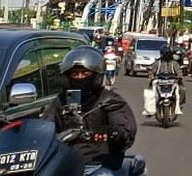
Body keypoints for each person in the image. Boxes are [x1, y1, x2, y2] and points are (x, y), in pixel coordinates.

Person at [43, 46, 137, 176]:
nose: (80, 77)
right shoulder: (60, 102)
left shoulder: (109, 100)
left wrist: (111, 133)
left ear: (96, 76)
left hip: (99, 164)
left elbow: (124, 131)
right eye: (74, 74)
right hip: (64, 164)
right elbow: (45, 127)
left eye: (85, 73)